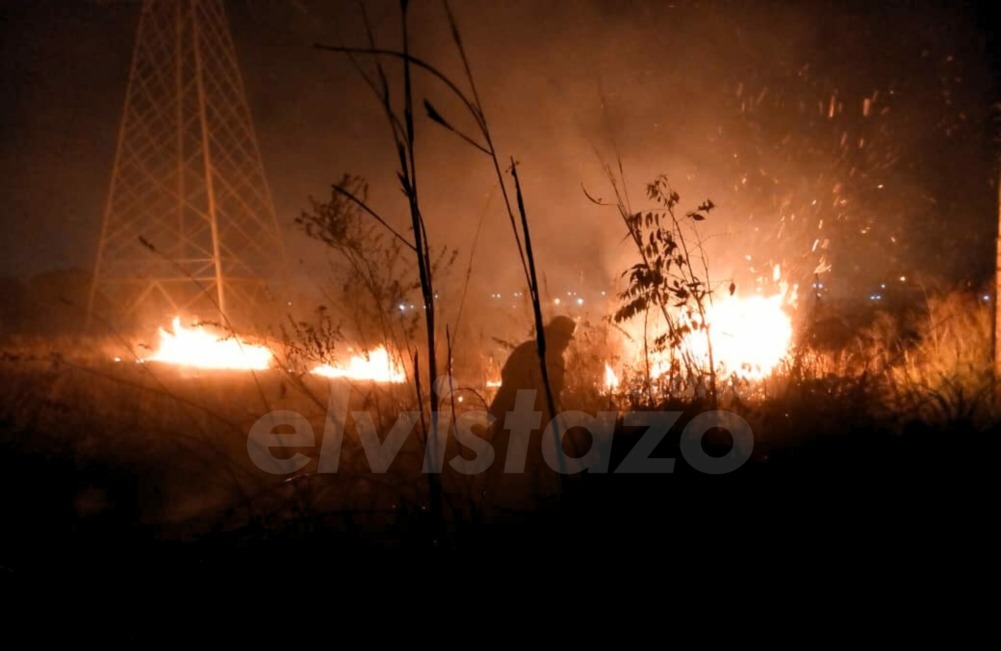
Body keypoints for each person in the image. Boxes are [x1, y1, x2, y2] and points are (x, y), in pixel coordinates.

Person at [483, 315, 577, 513]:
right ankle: (508, 507)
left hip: (517, 411)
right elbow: (550, 390)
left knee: (512, 463)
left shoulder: (527, 349)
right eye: (564, 339)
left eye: (567, 340)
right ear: (553, 335)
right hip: (526, 412)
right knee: (520, 463)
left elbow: (506, 375)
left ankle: (499, 503)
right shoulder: (550, 358)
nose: (566, 344)